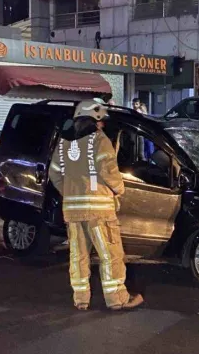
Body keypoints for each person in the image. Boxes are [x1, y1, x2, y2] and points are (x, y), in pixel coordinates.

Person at [49, 99, 143, 311]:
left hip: (73, 213)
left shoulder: (63, 145)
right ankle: (117, 299)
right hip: (99, 211)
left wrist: (71, 193)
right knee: (110, 254)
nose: (102, 126)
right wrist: (120, 189)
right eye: (101, 122)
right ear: (95, 120)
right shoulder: (100, 141)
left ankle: (81, 299)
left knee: (78, 256)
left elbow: (54, 174)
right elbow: (108, 171)